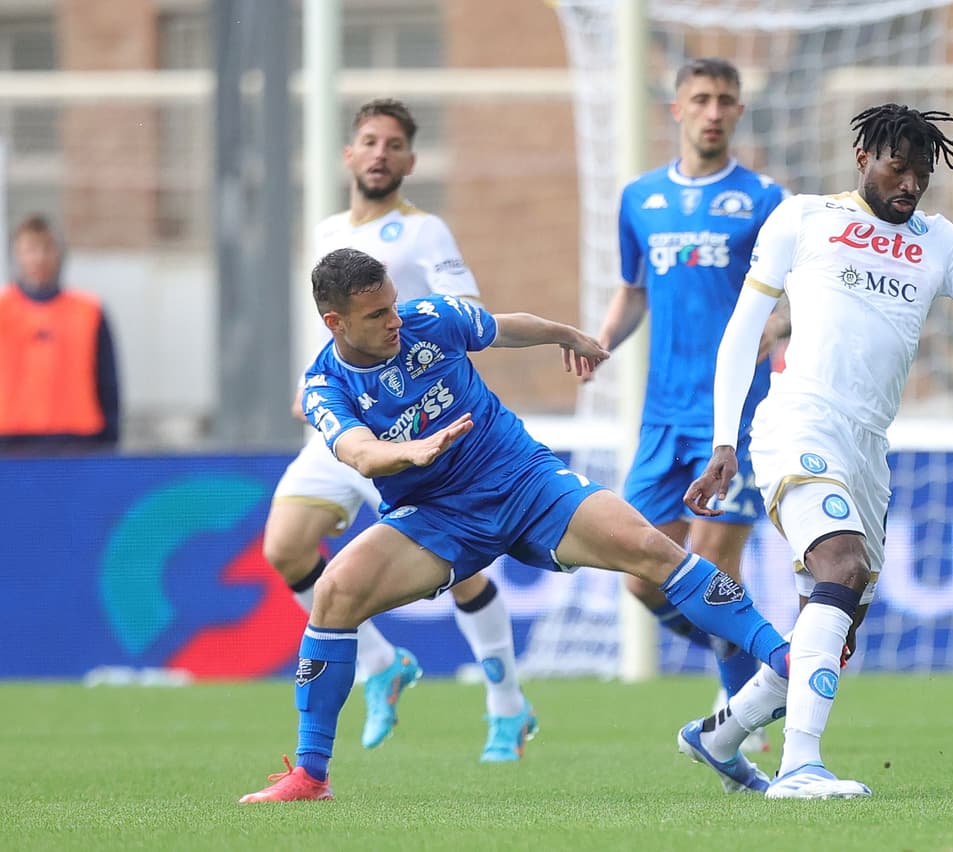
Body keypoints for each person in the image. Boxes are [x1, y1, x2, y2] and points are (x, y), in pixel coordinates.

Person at [239, 247, 791, 802]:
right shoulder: (324, 385)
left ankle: (784, 657)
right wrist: (411, 451)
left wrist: (564, 335)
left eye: (393, 305)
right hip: (437, 515)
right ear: (334, 322)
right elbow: (360, 453)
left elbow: (505, 328)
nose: (394, 321)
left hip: (523, 480)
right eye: (377, 314)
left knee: (653, 549)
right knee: (334, 593)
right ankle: (310, 775)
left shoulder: (431, 319)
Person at [681, 103, 953, 799]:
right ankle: (799, 766)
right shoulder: (803, 218)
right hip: (798, 423)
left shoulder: (939, 241)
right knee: (842, 566)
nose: (910, 184)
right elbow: (742, 331)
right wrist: (723, 441)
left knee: (834, 629)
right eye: (896, 167)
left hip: (867, 449)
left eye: (921, 173)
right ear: (863, 159)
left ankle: (719, 736)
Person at [262, 99, 532, 761]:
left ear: (410, 160)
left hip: (414, 427)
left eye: (393, 144)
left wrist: (412, 342)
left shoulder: (424, 232)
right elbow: (334, 324)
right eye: (369, 141)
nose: (379, 153)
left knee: (461, 570)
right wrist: (313, 385)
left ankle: (506, 704)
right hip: (347, 422)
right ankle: (381, 663)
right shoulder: (327, 231)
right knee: (285, 548)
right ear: (348, 154)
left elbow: (467, 310)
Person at [595, 57, 789, 753]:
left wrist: (778, 326)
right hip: (660, 417)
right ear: (677, 109)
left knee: (711, 560)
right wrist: (600, 343)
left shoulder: (766, 200)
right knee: (641, 575)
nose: (712, 111)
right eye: (700, 99)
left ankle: (740, 715)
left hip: (732, 418)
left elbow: (799, 296)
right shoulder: (639, 199)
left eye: (724, 100)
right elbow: (634, 290)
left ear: (738, 112)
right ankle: (751, 669)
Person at [0, 214, 120, 454]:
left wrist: (110, 441)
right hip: (10, 445)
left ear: (60, 254)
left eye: (47, 248)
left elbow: (108, 381)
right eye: (30, 250)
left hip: (78, 443)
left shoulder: (89, 311)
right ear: (16, 256)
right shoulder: (3, 310)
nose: (39, 258)